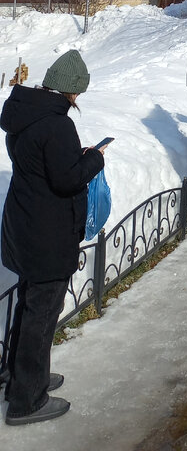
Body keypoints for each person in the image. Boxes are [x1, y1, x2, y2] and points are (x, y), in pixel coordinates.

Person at [1, 49, 106, 426]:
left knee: (30, 305)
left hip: (23, 223)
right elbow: (66, 180)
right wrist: (95, 159)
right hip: (47, 232)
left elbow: (44, 165)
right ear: (73, 91)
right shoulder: (57, 124)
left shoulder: (24, 114)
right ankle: (27, 400)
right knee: (41, 315)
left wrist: (72, 157)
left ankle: (20, 377)